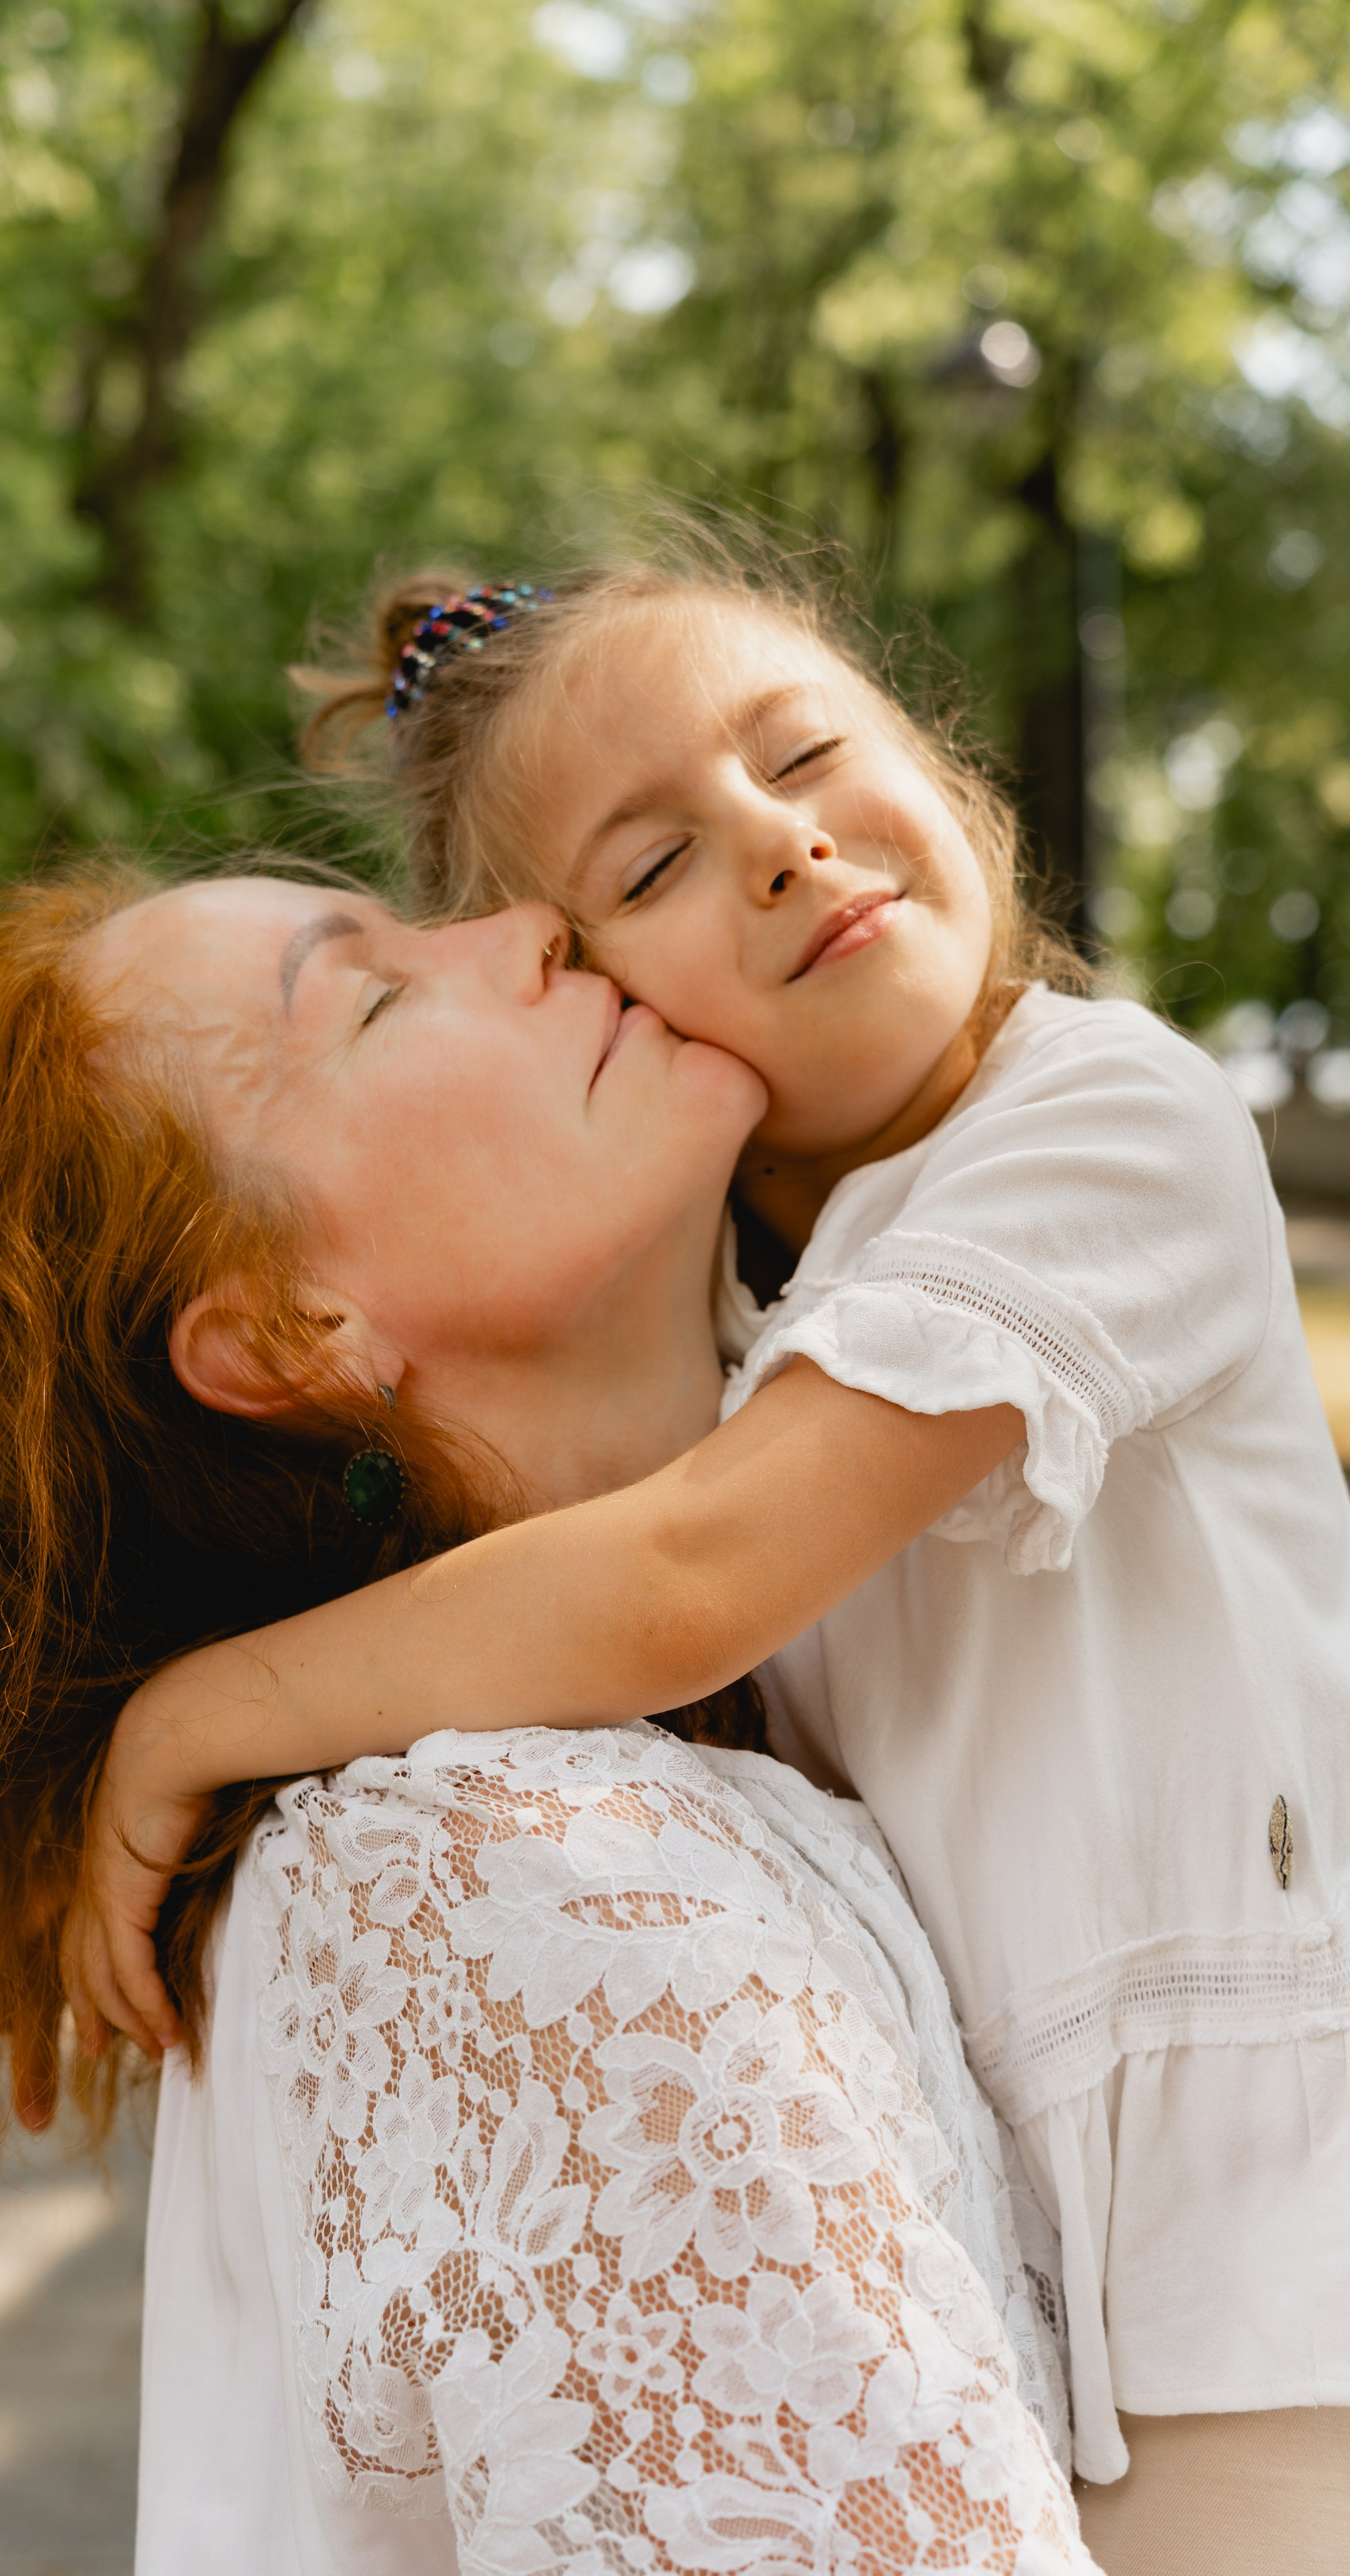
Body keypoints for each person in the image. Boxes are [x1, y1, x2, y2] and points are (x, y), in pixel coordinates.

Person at [65, 540, 1350, 2574]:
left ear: (940, 764)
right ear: (591, 990)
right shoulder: (766, 1322)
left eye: (809, 751)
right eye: (650, 872)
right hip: (1064, 2303)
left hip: (1278, 2275)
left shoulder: (1102, 1122)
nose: (779, 846)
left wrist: (204, 1714)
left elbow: (688, 1581)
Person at [0, 859, 1090, 2572]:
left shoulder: (744, 1708)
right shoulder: (527, 1892)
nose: (531, 925)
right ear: (286, 1330)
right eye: (379, 990)